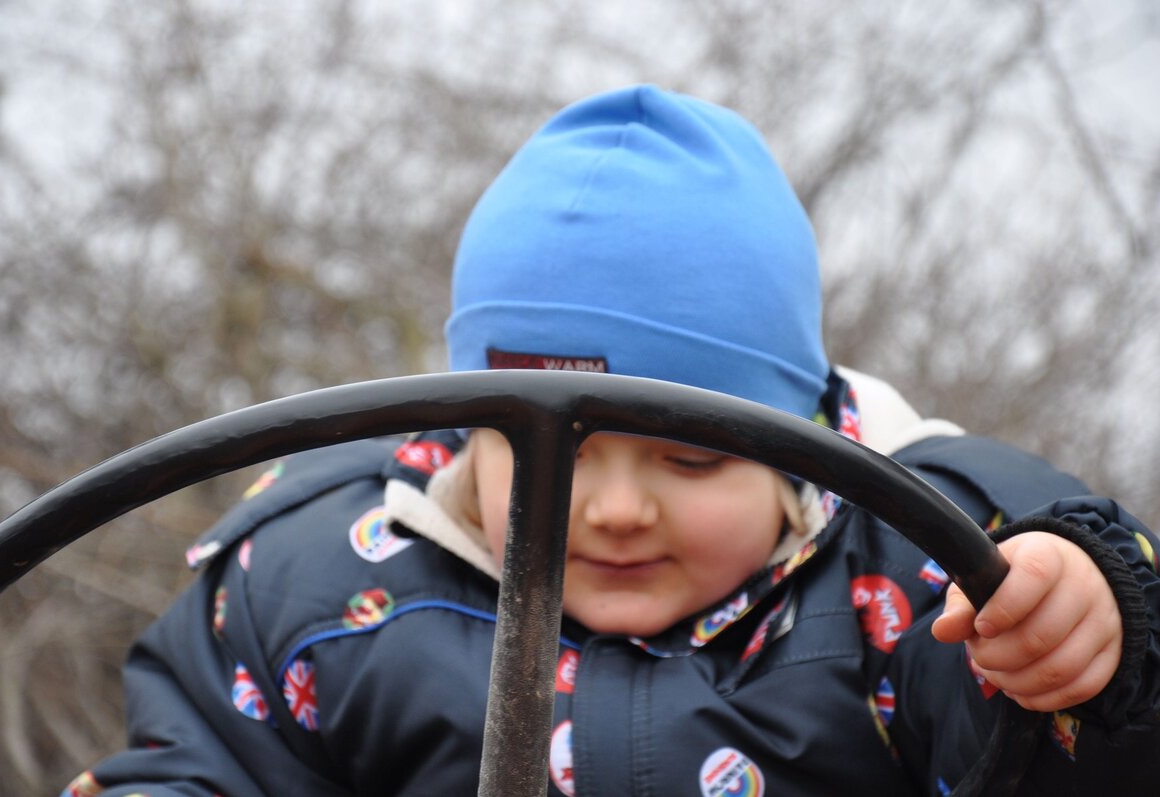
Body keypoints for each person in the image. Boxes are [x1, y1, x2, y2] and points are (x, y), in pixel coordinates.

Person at [62, 85, 1160, 796]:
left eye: (690, 455)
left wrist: (1087, 642)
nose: (618, 508)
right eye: (548, 458)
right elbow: (201, 763)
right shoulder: (315, 580)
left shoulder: (921, 569)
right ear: (462, 426)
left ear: (798, 438)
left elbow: (1073, 759)